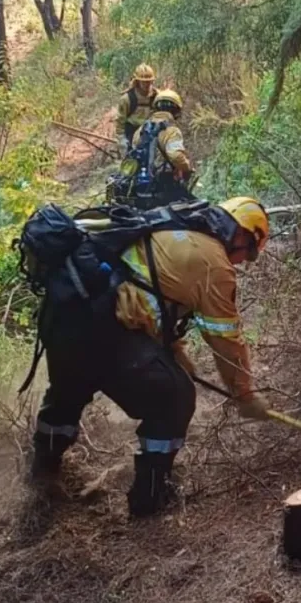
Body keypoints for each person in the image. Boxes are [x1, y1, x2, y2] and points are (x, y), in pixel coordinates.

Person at [31, 197, 271, 517]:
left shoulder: (171, 231)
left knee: (66, 394)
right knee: (175, 398)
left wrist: (178, 357)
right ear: (241, 234)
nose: (243, 262)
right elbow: (225, 339)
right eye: (249, 253)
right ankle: (151, 501)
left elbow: (146, 296)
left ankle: (41, 476)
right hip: (103, 329)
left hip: (62, 317)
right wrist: (245, 394)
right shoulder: (214, 263)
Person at [121, 89, 194, 209]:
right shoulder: (171, 131)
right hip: (165, 189)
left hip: (139, 191)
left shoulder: (140, 131)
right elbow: (175, 156)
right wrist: (187, 167)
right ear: (176, 111)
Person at [117, 63, 158, 154]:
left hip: (151, 132)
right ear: (137, 81)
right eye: (144, 82)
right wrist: (122, 140)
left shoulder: (157, 97)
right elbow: (120, 122)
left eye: (149, 81)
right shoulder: (127, 99)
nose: (147, 84)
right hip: (131, 133)